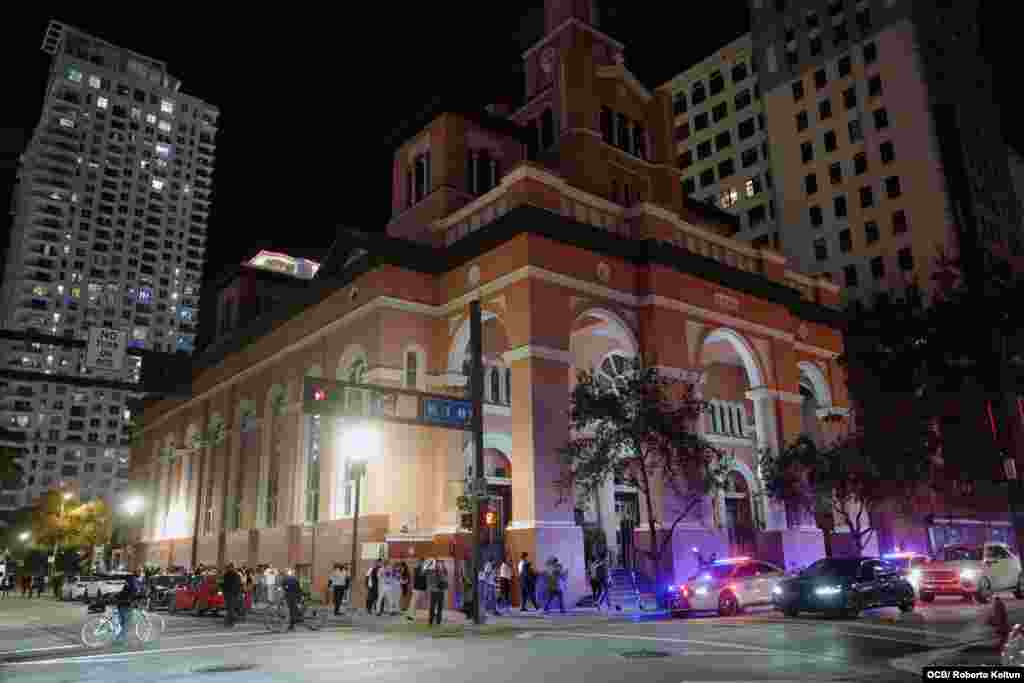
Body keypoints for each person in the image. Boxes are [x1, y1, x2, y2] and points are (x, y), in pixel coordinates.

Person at [114, 569, 144, 643]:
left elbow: (129, 591)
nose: (141, 574)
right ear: (138, 573)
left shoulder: (129, 579)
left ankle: (119, 636)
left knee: (123, 623)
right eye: (140, 572)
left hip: (120, 602)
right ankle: (119, 639)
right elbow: (134, 591)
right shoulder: (133, 581)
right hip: (127, 603)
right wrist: (140, 596)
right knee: (127, 623)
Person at [427, 560, 448, 626]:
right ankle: (431, 621)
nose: (439, 565)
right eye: (439, 563)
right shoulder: (432, 572)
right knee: (433, 607)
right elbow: (430, 581)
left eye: (441, 563)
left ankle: (437, 621)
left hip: (440, 591)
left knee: (439, 607)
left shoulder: (443, 571)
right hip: (435, 591)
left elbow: (445, 579)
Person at [222, 563, 242, 627]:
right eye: (227, 568)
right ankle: (229, 621)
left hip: (233, 594)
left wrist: (237, 593)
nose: (228, 569)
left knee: (231, 608)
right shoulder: (226, 575)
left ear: (232, 567)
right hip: (228, 594)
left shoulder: (236, 575)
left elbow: (238, 585)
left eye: (229, 567)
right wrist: (224, 592)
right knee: (229, 608)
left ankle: (231, 622)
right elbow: (224, 584)